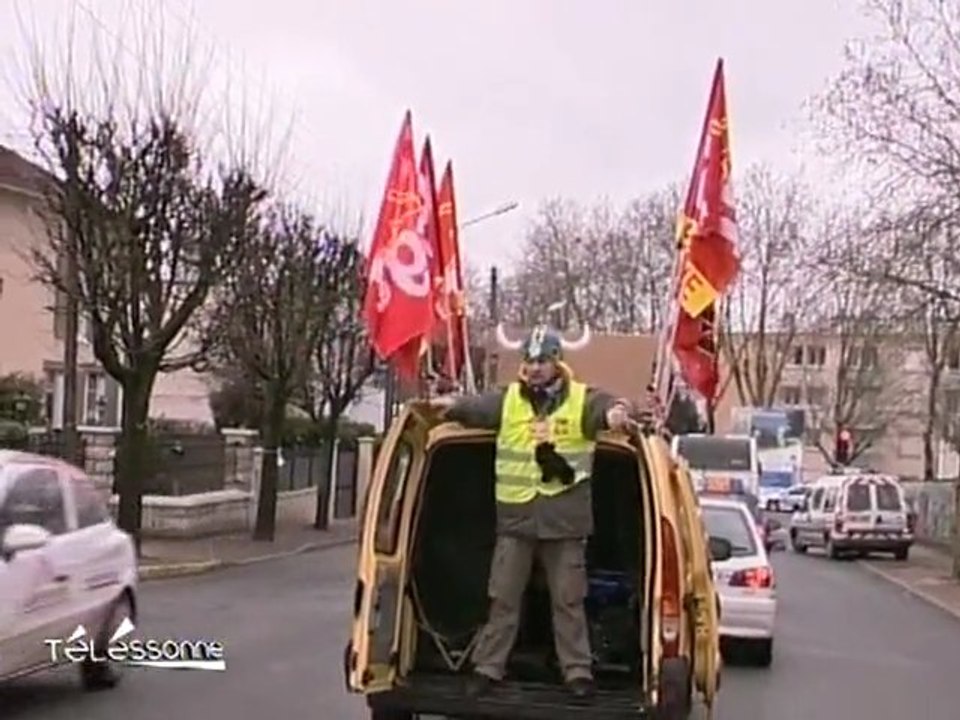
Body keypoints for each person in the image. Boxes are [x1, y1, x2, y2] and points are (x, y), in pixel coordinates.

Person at [429, 323, 635, 700]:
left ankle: (577, 672)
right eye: (529, 360)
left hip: (564, 523)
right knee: (503, 599)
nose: (535, 367)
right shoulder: (508, 400)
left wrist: (618, 413)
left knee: (568, 601)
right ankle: (488, 669)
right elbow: (476, 407)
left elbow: (607, 407)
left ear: (557, 362)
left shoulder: (580, 399)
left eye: (542, 360)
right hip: (517, 521)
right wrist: (452, 405)